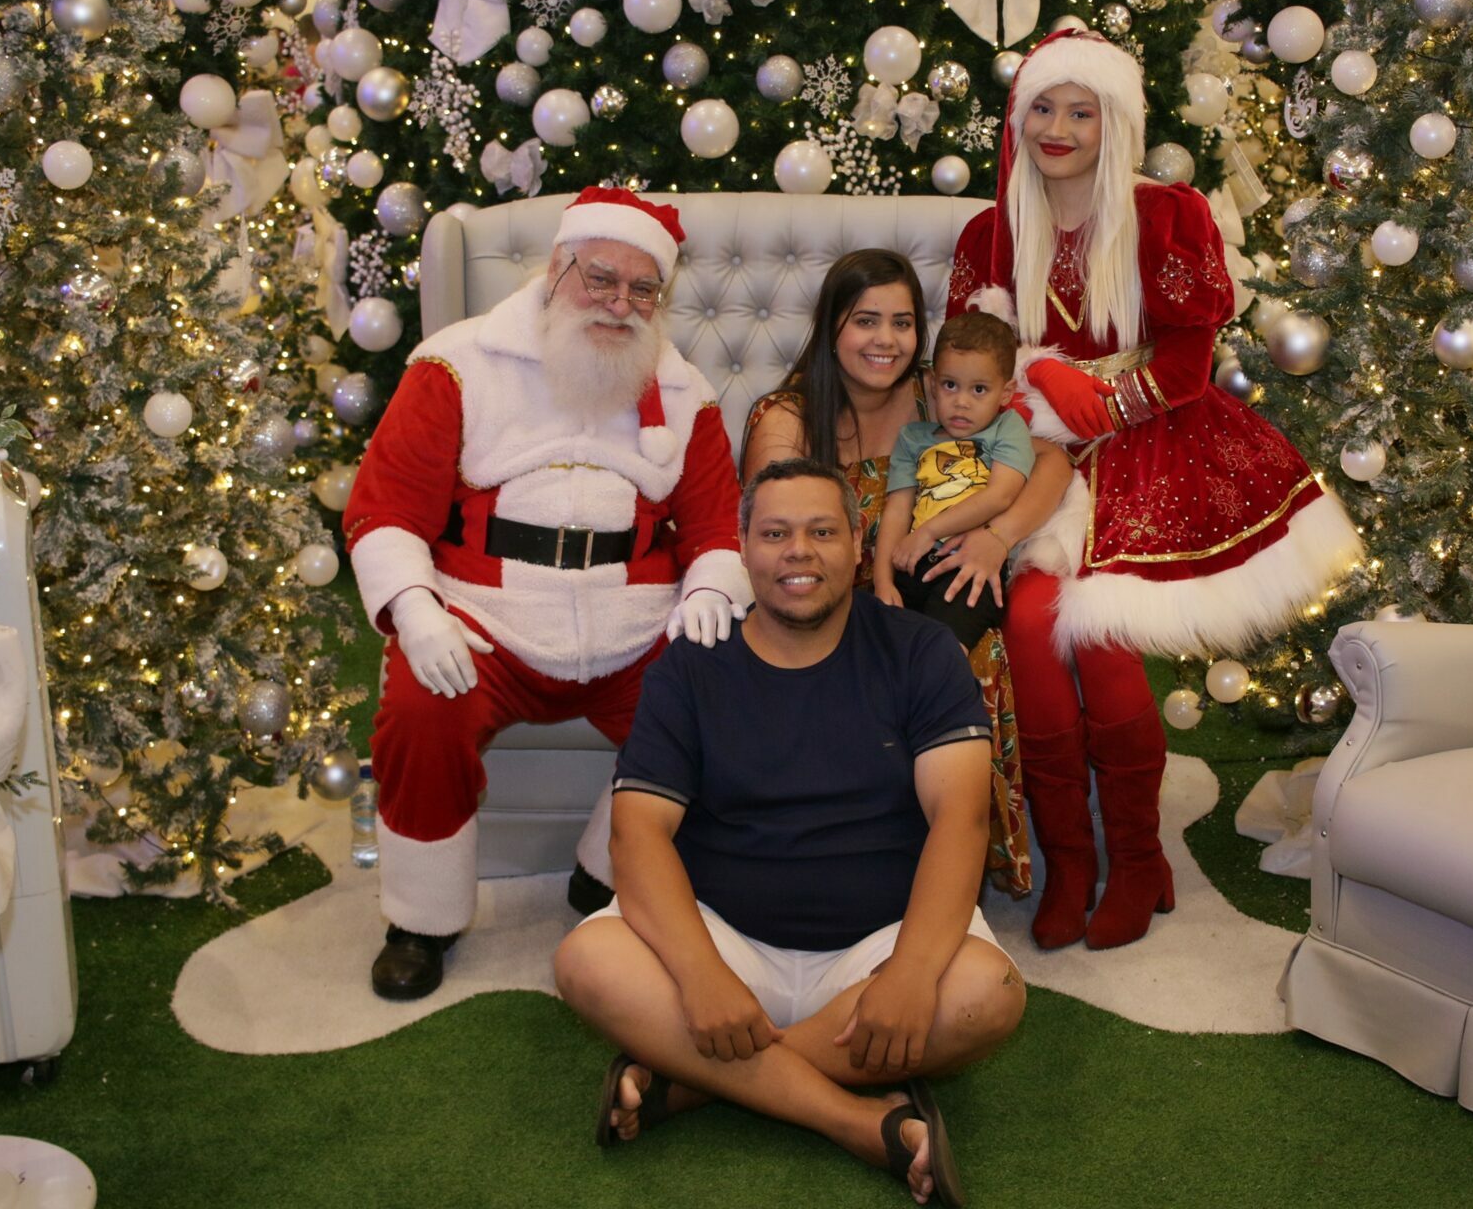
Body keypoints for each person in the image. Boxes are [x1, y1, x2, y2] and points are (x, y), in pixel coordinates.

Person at [948, 30, 1362, 951]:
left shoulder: (1166, 216)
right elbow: (969, 367)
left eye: (1080, 111)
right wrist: (1038, 380)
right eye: (1042, 108)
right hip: (1036, 461)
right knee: (1030, 628)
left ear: (1116, 124)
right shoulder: (991, 234)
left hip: (1153, 449)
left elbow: (1184, 366)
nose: (1058, 128)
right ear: (1019, 119)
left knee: (1100, 641)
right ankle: (1070, 860)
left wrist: (1098, 401)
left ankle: (1137, 858)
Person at [554, 458, 1025, 1209]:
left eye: (821, 532)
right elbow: (637, 836)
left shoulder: (920, 650)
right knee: (586, 961)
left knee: (986, 994)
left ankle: (691, 1082)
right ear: (743, 549)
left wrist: (909, 974)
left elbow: (960, 820)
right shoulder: (691, 666)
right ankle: (856, 1121)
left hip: (879, 943)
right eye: (775, 534)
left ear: (858, 544)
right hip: (724, 935)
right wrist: (701, 975)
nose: (798, 551)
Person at [344, 187, 750, 1000]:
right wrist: (416, 610)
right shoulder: (455, 364)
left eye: (643, 290)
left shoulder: (684, 393)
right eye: (601, 278)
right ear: (558, 267)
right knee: (422, 707)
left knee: (730, 709)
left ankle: (607, 870)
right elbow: (385, 509)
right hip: (485, 615)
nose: (620, 303)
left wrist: (710, 586)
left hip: (635, 623)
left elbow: (715, 529)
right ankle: (421, 919)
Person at [743, 249, 1073, 899]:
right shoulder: (788, 418)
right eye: (867, 321)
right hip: (825, 602)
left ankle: (951, 864)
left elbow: (1052, 463)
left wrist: (997, 536)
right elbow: (776, 546)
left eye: (902, 322)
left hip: (930, 588)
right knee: (884, 664)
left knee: (967, 646)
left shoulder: (941, 391)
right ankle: (860, 858)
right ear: (832, 325)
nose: (887, 340)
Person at [875, 311, 1033, 652]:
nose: (961, 402)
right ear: (933, 384)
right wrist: (882, 581)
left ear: (1006, 392)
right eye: (950, 385)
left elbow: (1000, 496)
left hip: (970, 566)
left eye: (979, 389)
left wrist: (929, 532)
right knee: (879, 644)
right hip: (913, 563)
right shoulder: (912, 438)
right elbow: (897, 510)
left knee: (941, 654)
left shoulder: (1008, 428)